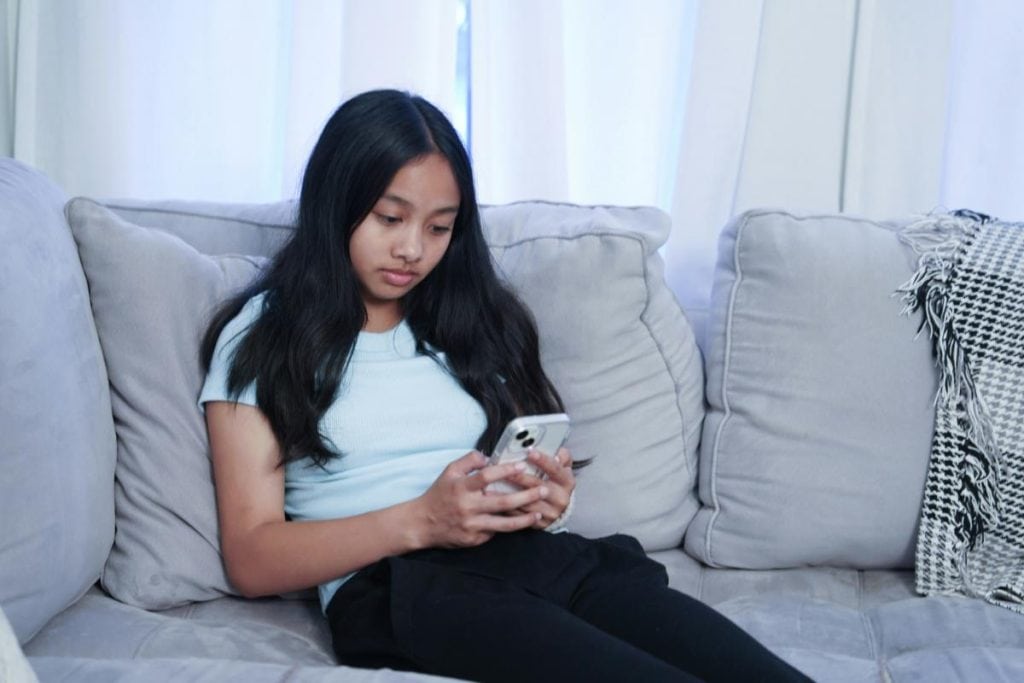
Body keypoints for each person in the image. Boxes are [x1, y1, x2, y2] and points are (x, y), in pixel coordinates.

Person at [199, 89, 810, 683]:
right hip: (401, 587)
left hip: (529, 559)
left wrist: (543, 501)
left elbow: (512, 466)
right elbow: (253, 557)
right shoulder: (264, 337)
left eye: (439, 228)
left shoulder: (467, 320)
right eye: (390, 217)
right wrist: (422, 520)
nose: (412, 249)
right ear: (337, 202)